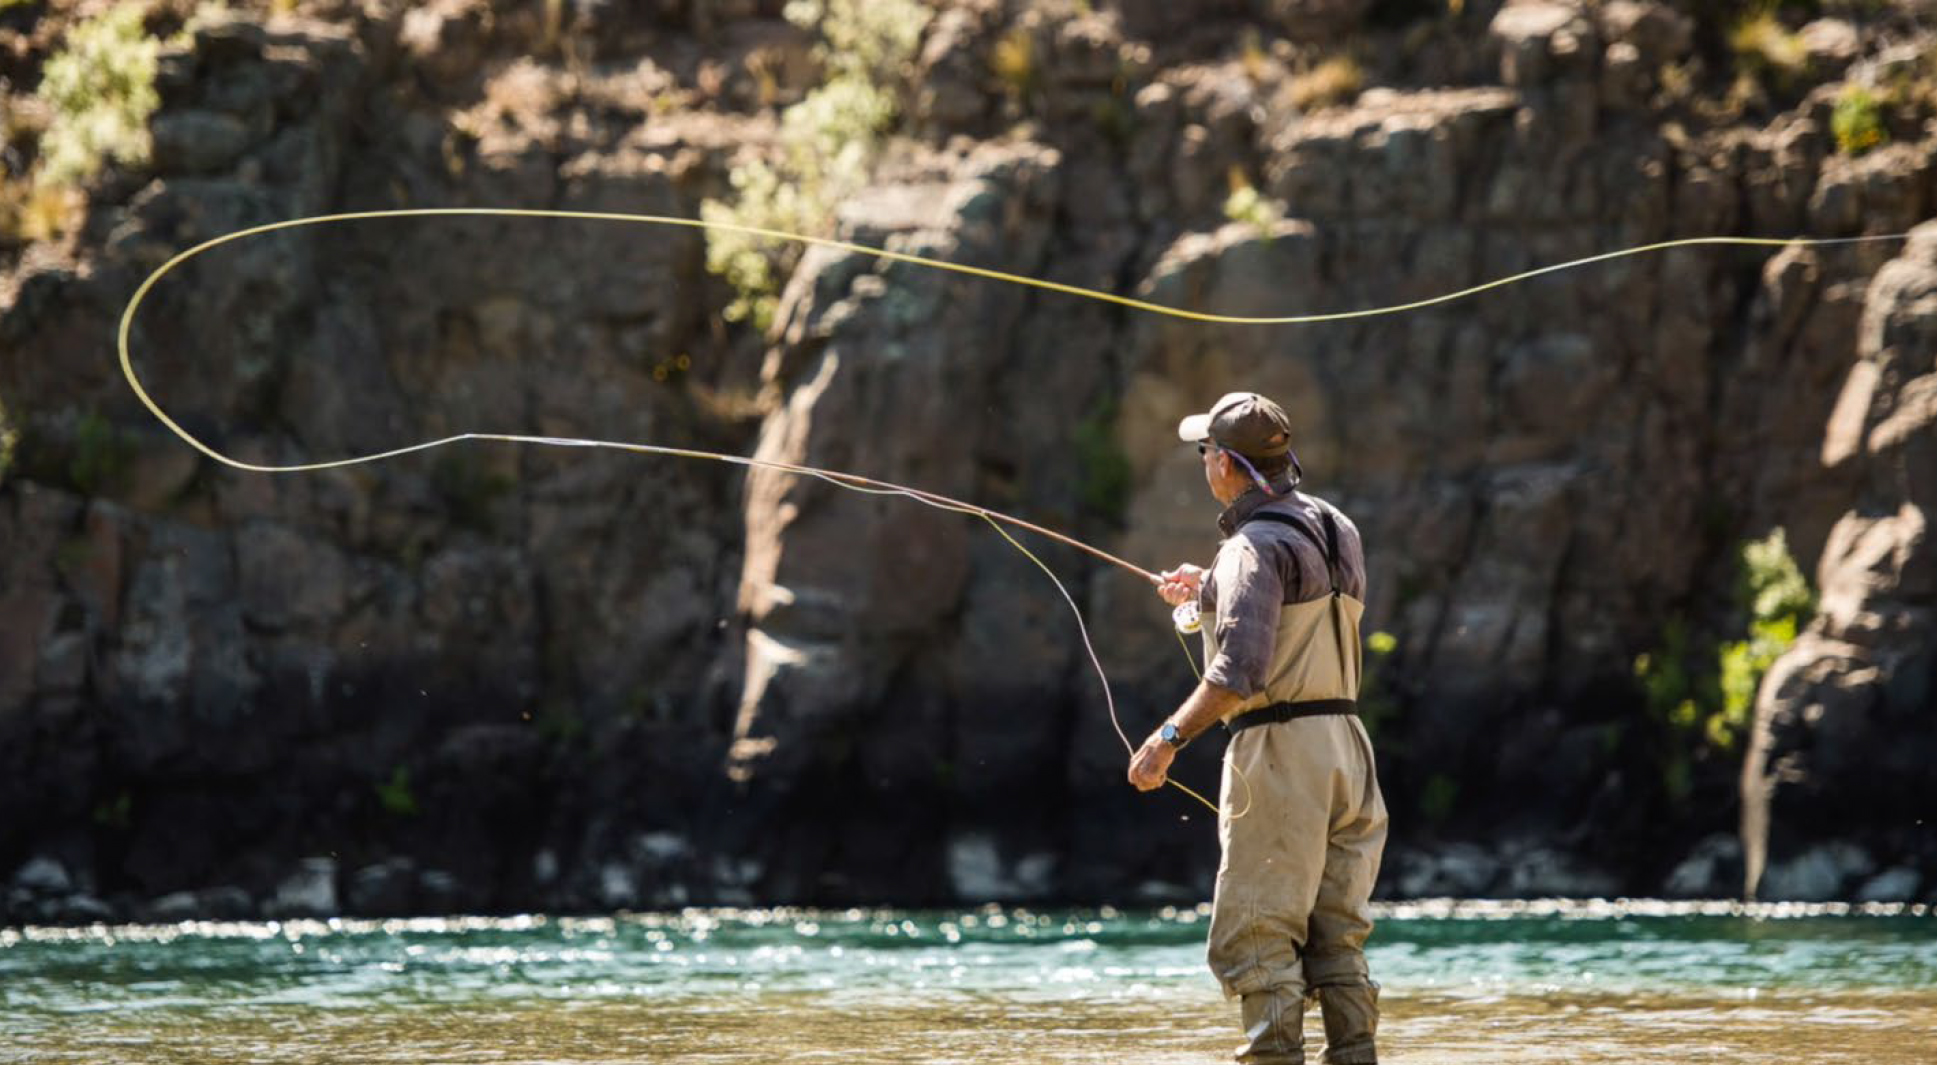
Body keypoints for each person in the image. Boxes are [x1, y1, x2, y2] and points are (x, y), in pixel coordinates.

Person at [1127, 391, 1388, 1065]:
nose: (1203, 461)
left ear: (1229, 464)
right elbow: (1293, 600)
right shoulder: (1335, 526)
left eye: (1205, 450)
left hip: (1279, 753)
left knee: (1257, 934)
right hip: (1347, 751)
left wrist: (1165, 740)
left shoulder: (1251, 546)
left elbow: (1236, 672)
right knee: (1337, 934)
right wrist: (1210, 585)